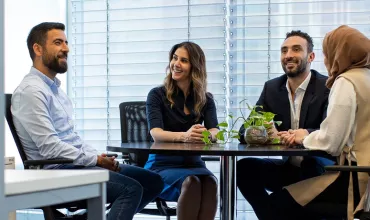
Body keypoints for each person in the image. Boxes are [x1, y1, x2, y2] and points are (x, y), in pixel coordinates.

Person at [11, 22, 164, 220]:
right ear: (38, 49)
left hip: (74, 166)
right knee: (130, 189)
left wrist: (95, 156)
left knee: (153, 182)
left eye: (66, 42)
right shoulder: (31, 92)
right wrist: (96, 160)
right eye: (58, 43)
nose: (66, 48)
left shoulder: (54, 90)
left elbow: (71, 139)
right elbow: (50, 148)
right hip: (55, 174)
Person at [262, 25, 370, 220]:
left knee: (278, 203)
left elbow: (332, 142)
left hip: (353, 178)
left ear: (340, 52)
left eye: (328, 51)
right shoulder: (366, 77)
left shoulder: (345, 81)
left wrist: (304, 137)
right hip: (364, 174)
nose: (326, 58)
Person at [236, 30, 334, 219]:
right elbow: (244, 131)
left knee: (311, 165)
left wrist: (304, 134)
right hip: (289, 167)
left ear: (311, 56)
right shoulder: (272, 88)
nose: (288, 55)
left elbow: (332, 131)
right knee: (244, 168)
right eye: (284, 50)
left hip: (320, 168)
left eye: (296, 49)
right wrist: (264, 134)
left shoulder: (327, 86)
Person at [144, 41, 219, 220]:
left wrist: (206, 135)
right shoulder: (157, 95)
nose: (176, 64)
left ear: (195, 67)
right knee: (191, 182)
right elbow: (156, 133)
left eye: (183, 60)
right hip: (162, 165)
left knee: (210, 182)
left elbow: (215, 130)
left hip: (193, 163)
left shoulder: (205, 99)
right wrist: (185, 136)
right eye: (175, 58)